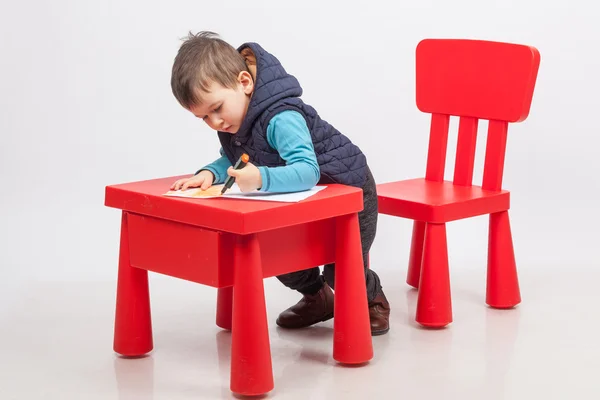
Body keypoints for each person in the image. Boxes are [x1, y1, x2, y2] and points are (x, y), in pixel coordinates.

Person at [169, 32, 390, 335]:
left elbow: (307, 171)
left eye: (217, 108)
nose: (216, 123)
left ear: (244, 82)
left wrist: (261, 178)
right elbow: (234, 159)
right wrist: (210, 173)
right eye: (204, 117)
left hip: (349, 191)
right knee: (279, 255)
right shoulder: (236, 123)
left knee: (342, 267)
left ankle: (372, 300)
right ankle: (317, 298)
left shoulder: (281, 117)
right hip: (305, 200)